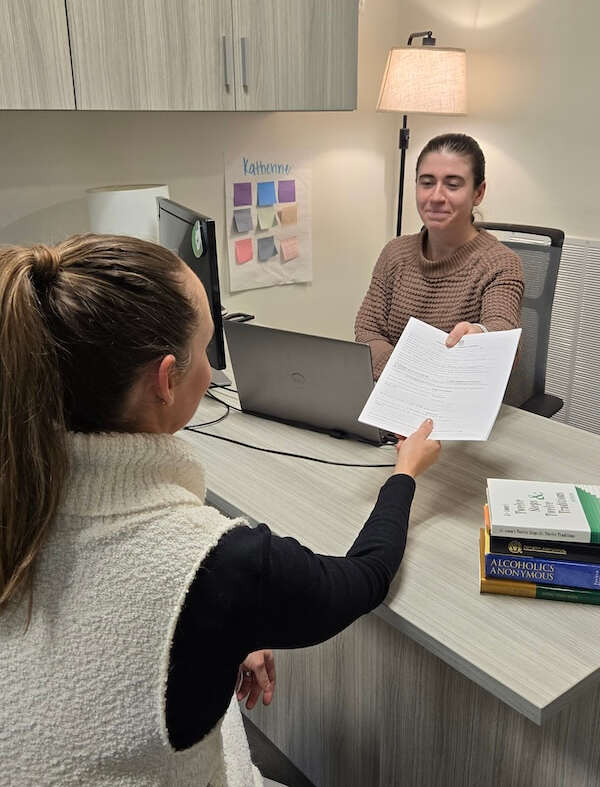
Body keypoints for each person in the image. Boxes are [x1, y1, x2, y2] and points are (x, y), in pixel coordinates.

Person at [0, 234, 441, 786]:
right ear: (166, 379)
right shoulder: (219, 565)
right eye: (209, 350)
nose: (214, 370)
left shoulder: (19, 489)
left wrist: (216, 629)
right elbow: (364, 578)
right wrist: (405, 474)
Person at [355, 133, 524, 379]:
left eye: (453, 184)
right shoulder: (395, 253)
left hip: (456, 400)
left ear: (478, 193)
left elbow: (502, 331)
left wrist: (481, 334)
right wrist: (408, 375)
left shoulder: (500, 264)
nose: (436, 197)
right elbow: (368, 331)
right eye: (426, 183)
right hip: (392, 393)